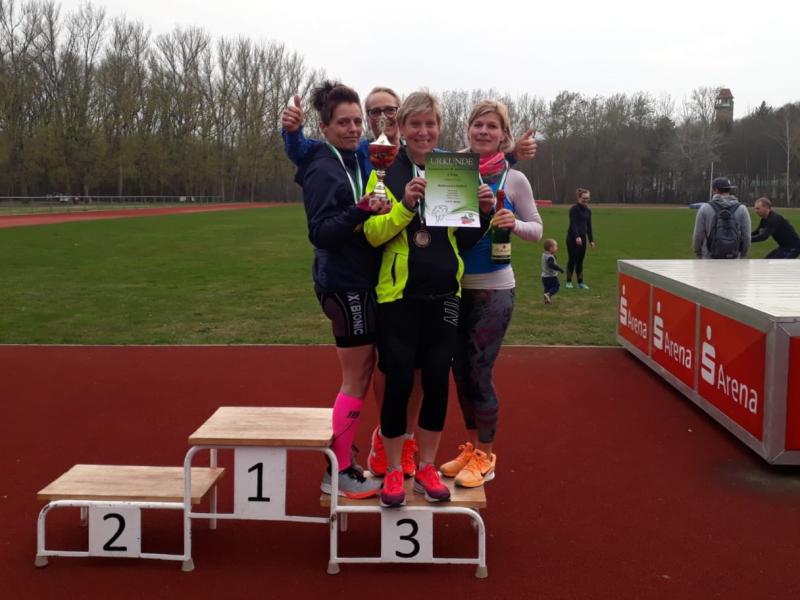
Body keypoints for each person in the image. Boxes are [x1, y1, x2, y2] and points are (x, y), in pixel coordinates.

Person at [361, 91, 494, 506]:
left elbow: (464, 239)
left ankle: (427, 467)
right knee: (399, 381)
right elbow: (372, 234)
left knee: (436, 381)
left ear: (439, 127)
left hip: (445, 294)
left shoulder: (452, 170)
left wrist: (484, 213)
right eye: (415, 124)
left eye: (430, 124)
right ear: (401, 128)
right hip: (398, 294)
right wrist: (405, 205)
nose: (423, 131)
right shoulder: (384, 169)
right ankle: (395, 468)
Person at [442, 100, 543, 488]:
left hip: (494, 289)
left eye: (492, 126)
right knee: (459, 373)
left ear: (504, 135)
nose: (483, 131)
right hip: (454, 288)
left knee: (479, 372)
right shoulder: (453, 170)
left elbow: (536, 229)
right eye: (477, 125)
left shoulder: (514, 180)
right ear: (468, 129)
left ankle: (486, 455)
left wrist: (513, 222)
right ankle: (471, 450)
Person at [293, 81, 383, 499]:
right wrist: (361, 210)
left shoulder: (353, 158)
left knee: (365, 372)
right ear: (324, 128)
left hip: (361, 279)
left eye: (357, 121)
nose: (353, 129)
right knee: (356, 376)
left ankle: (347, 463)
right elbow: (321, 232)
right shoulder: (322, 166)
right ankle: (339, 469)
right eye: (344, 122)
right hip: (344, 283)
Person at [692, 177, 751, 259]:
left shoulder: (705, 208)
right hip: (733, 256)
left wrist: (698, 252)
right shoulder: (742, 209)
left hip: (709, 257)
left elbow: (698, 234)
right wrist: (743, 253)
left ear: (715, 190)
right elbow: (746, 236)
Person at [565, 188, 596, 289]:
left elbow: (589, 226)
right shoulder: (573, 209)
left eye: (587, 198)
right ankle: (568, 282)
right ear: (579, 198)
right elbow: (573, 224)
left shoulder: (588, 211)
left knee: (580, 261)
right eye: (584, 198)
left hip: (582, 239)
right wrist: (577, 236)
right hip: (572, 238)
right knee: (572, 259)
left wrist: (591, 240)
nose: (586, 200)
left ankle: (580, 282)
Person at [541, 238, 563, 305]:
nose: (557, 248)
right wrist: (559, 269)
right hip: (551, 276)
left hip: (544, 276)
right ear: (551, 248)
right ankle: (548, 294)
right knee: (556, 286)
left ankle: (546, 300)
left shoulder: (544, 254)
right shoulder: (550, 257)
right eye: (556, 246)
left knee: (547, 288)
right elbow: (551, 264)